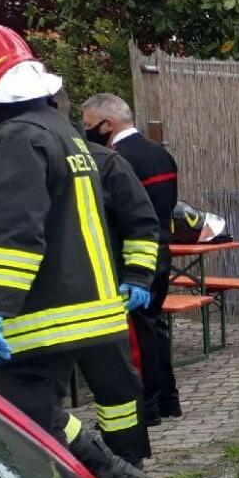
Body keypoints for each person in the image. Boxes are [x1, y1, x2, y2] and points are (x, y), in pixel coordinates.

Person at [0, 24, 151, 478]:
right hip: (85, 303)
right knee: (31, 400)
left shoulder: (17, 138)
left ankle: (108, 474)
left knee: (15, 403)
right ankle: (111, 473)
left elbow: (13, 228)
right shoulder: (61, 132)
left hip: (44, 308)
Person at [54, 89, 160, 467]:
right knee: (36, 401)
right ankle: (96, 461)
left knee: (117, 392)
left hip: (104, 299)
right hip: (47, 309)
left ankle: (127, 462)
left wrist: (137, 277)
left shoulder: (106, 162)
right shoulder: (18, 161)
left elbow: (142, 222)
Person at [81, 93, 180, 426]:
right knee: (155, 326)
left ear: (107, 124)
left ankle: (146, 406)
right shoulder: (159, 153)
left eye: (88, 125)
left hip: (134, 256)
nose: (84, 131)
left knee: (136, 333)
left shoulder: (116, 159)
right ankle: (168, 399)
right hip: (162, 249)